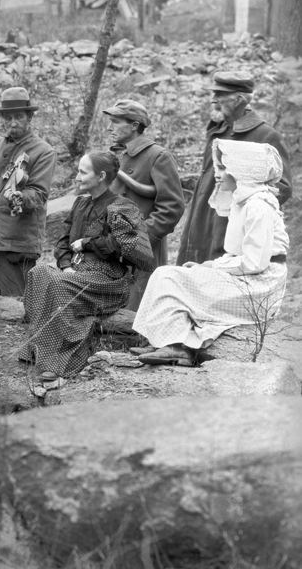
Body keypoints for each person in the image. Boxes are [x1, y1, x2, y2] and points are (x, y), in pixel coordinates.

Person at [134, 140, 289, 366]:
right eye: (218, 167)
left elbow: (256, 263)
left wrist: (213, 268)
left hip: (260, 286)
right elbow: (239, 255)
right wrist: (205, 266)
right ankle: (166, 339)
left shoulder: (258, 206)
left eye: (225, 167)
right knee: (165, 274)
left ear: (243, 171)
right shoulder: (243, 204)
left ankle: (177, 347)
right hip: (247, 276)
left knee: (170, 278)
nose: (218, 174)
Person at [18, 152, 154, 384]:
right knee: (38, 272)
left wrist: (89, 243)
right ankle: (37, 349)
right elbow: (62, 242)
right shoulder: (80, 203)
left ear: (101, 176)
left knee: (59, 286)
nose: (78, 176)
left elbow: (130, 248)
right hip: (76, 272)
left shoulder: (122, 206)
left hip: (108, 278)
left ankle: (60, 363)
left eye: (83, 171)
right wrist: (65, 265)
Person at [177, 70, 292, 266]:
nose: (213, 100)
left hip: (231, 229)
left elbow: (282, 187)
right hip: (201, 222)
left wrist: (243, 208)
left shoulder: (265, 136)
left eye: (220, 95)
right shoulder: (217, 132)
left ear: (238, 100)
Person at [103, 99, 185, 309]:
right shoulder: (114, 155)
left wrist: (139, 241)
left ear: (134, 125)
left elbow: (171, 207)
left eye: (115, 121)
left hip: (142, 253)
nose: (109, 127)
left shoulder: (158, 156)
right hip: (110, 249)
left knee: (137, 312)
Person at [0, 87, 56, 298]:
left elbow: (38, 193)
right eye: (8, 117)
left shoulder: (43, 151)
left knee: (15, 304)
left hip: (17, 242)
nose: (13, 122)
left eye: (19, 116)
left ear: (29, 117)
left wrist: (22, 198)